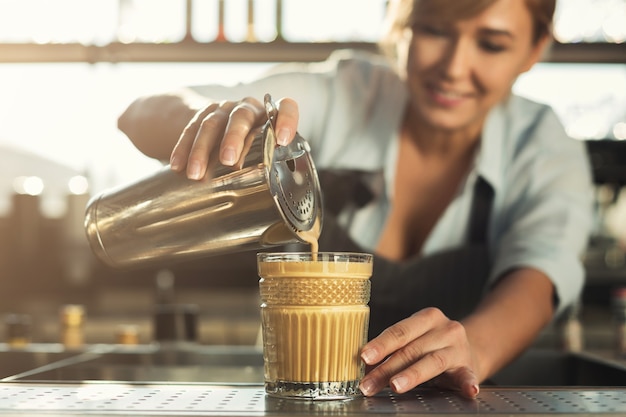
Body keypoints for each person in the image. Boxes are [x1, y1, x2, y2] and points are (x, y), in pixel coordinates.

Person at [118, 0, 594, 400]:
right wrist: (206, 120)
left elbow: (539, 274)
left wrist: (475, 348)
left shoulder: (543, 145)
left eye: (490, 43)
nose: (453, 68)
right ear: (399, 27)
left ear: (534, 49)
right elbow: (140, 110)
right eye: (432, 31)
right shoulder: (349, 93)